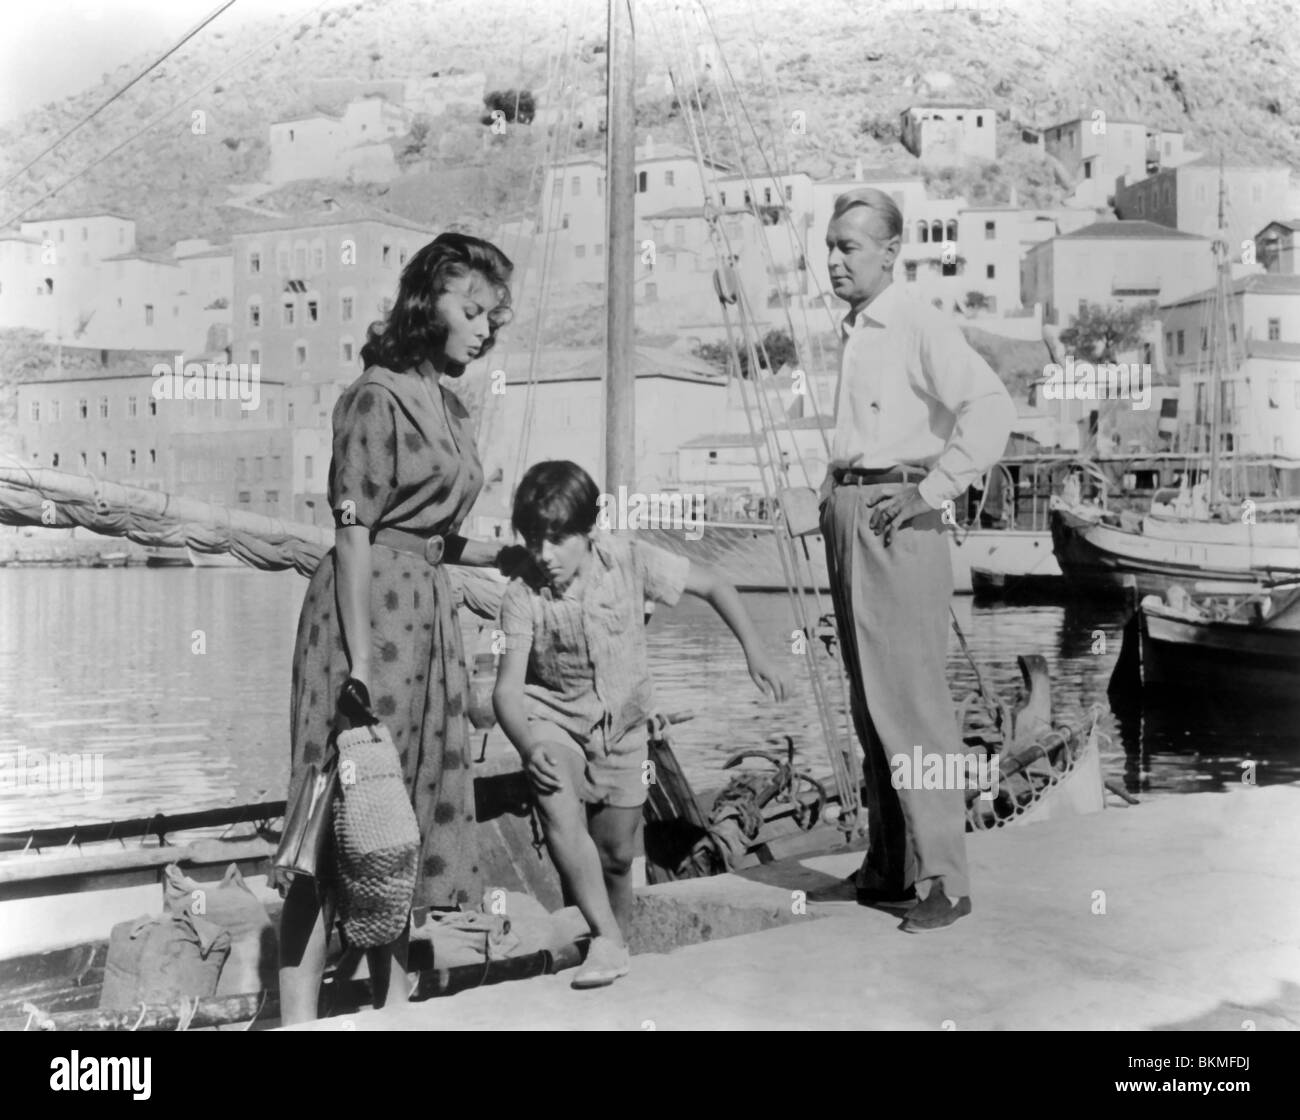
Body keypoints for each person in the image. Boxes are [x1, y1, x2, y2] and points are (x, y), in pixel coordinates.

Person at [277, 232, 517, 1024]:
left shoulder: (442, 401)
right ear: (428, 304)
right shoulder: (376, 395)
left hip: (424, 619)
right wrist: (358, 668)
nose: (483, 327)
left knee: (396, 829)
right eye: (470, 309)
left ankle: (395, 1011)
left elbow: (432, 534)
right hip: (366, 621)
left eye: (492, 314)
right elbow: (354, 532)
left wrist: (507, 557)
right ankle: (303, 1020)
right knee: (330, 827)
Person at [493, 461, 792, 987]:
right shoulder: (523, 595)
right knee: (556, 796)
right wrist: (526, 743)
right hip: (553, 718)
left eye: (558, 539)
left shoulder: (630, 560)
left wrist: (756, 652)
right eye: (533, 539)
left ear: (588, 531)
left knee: (613, 856)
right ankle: (606, 941)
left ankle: (615, 949)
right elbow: (507, 691)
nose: (544, 555)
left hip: (624, 729)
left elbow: (715, 584)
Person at [816, 188, 1016, 932]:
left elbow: (991, 408)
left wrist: (933, 490)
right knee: (871, 701)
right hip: (852, 509)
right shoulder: (858, 328)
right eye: (830, 245)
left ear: (890, 253)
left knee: (914, 702)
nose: (834, 259)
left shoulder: (915, 320)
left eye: (849, 247)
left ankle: (946, 880)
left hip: (899, 515)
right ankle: (889, 864)